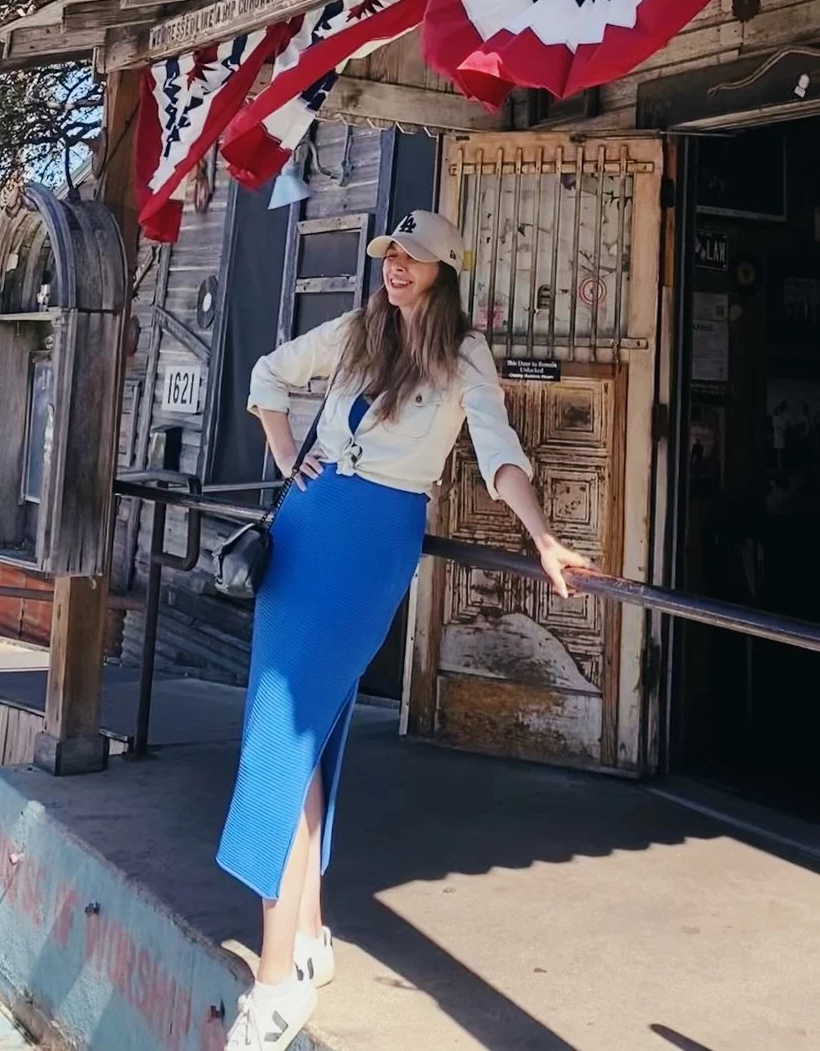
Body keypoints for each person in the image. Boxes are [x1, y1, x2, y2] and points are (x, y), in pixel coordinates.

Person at [218, 208, 590, 1051]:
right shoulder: (359, 330)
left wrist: (542, 536)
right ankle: (303, 942)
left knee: (284, 734)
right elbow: (269, 375)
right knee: (291, 735)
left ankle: (274, 989)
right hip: (309, 528)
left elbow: (499, 455)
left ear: (444, 271)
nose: (397, 266)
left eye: (414, 258)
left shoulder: (464, 357)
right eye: (391, 252)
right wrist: (286, 461)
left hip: (374, 541)